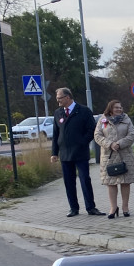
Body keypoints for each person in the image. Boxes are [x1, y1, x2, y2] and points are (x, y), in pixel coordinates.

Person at [50, 87, 103, 217]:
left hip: (80, 152)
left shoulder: (84, 111)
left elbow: (91, 130)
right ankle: (73, 208)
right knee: (69, 182)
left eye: (59, 99)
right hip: (65, 153)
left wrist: (82, 142)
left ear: (67, 97)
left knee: (85, 180)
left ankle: (91, 207)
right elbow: (56, 134)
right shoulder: (58, 113)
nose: (58, 102)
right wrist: (54, 153)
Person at [93, 100, 134, 219]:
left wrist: (120, 143)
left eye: (120, 107)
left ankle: (125, 207)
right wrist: (110, 144)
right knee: (111, 182)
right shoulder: (103, 120)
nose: (119, 109)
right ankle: (113, 207)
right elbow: (97, 136)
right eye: (116, 107)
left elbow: (132, 134)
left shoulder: (126, 119)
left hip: (125, 155)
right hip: (109, 156)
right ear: (110, 109)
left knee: (125, 181)